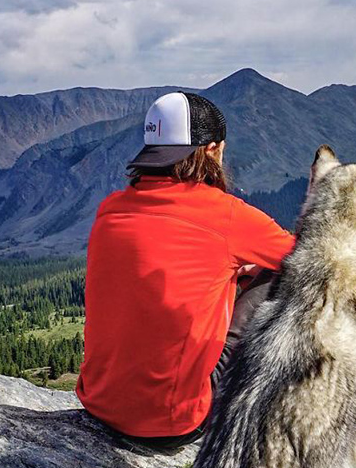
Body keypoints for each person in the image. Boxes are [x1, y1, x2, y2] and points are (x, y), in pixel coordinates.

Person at [76, 91, 295, 449]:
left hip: (99, 405)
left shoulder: (111, 208)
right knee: (284, 273)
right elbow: (310, 254)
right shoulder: (225, 214)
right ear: (211, 150)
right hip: (173, 424)